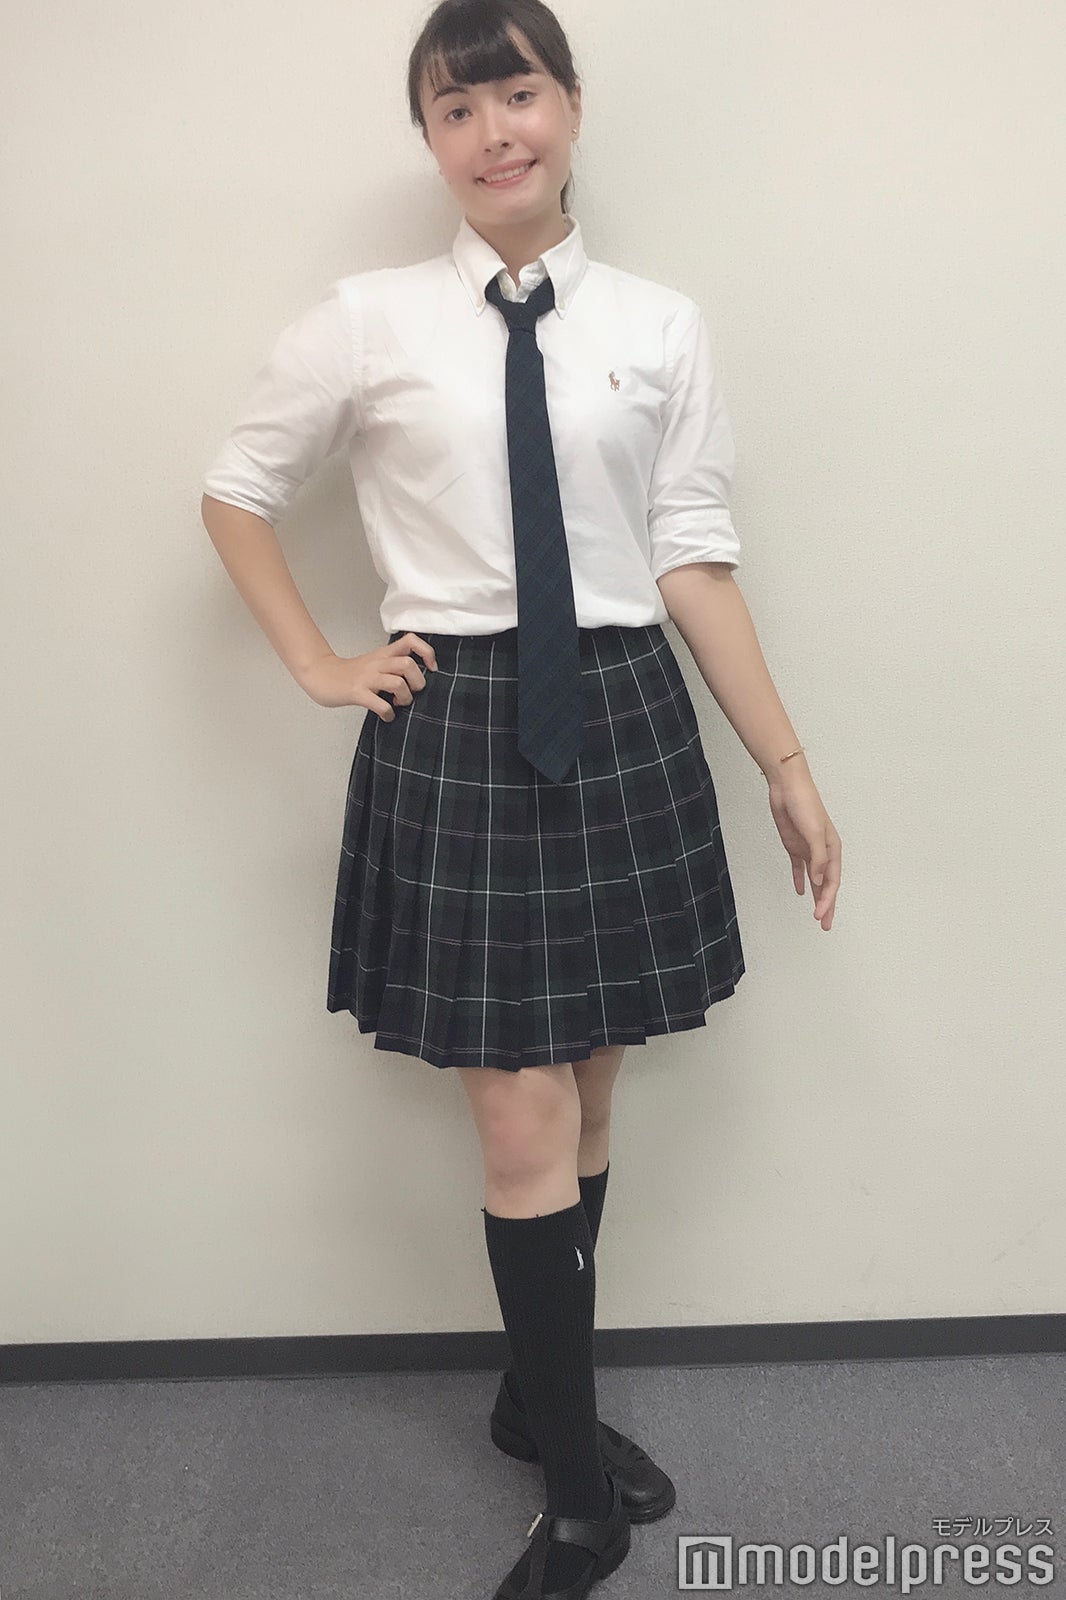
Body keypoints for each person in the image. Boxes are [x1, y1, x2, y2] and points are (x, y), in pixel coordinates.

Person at [200, 2, 842, 1594]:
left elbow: (689, 558)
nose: (494, 131)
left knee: (592, 1094)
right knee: (517, 1116)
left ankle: (524, 1397)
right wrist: (318, 660)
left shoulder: (657, 324)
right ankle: (573, 1497)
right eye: (455, 106)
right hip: (461, 719)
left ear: (569, 103)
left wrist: (785, 764)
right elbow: (236, 488)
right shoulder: (366, 320)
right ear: (427, 136)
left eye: (518, 92)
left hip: (619, 709)